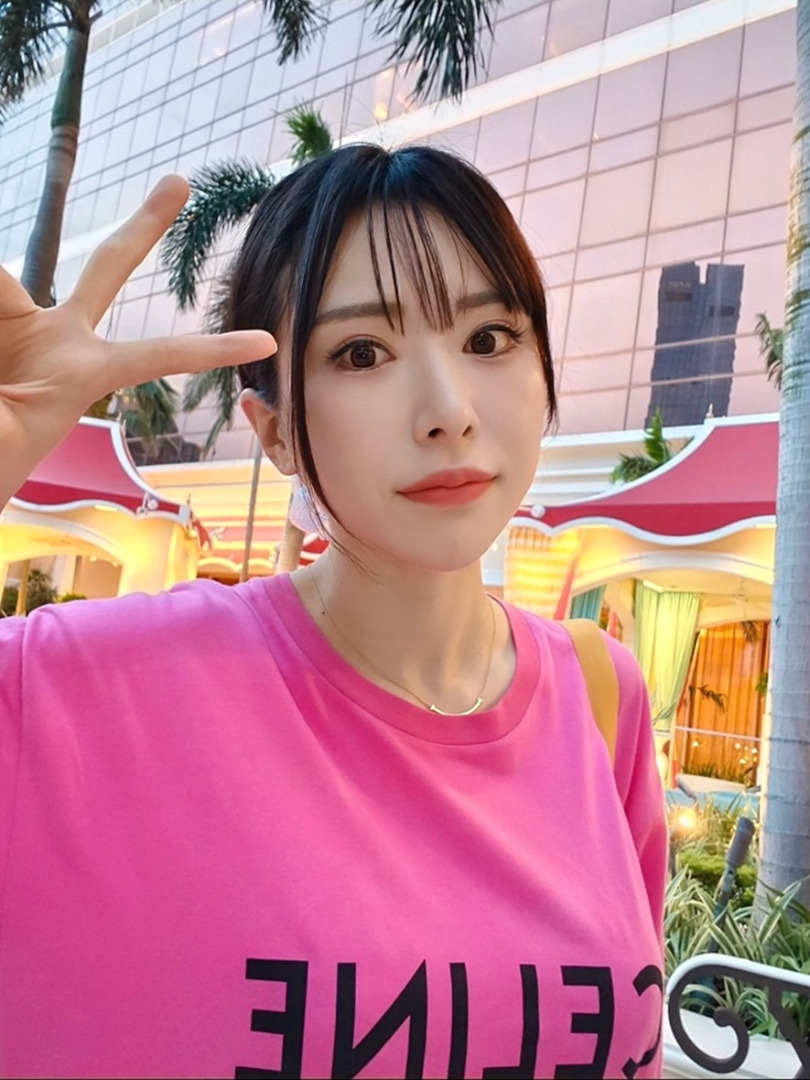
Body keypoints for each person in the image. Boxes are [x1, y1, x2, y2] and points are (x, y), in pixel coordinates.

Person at [0, 145, 667, 1079]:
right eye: (362, 353)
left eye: (489, 339)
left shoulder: (599, 696)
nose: (448, 411)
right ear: (274, 430)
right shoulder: (92, 692)